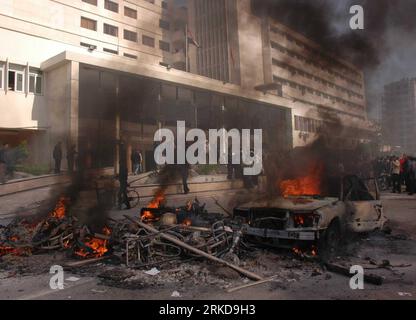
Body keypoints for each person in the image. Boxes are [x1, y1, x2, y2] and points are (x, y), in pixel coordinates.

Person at [118, 141, 131, 210]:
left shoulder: (123, 168)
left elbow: (123, 176)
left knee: (120, 194)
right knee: (123, 195)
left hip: (123, 183)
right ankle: (125, 205)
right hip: (123, 182)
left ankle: (121, 206)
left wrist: (119, 178)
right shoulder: (123, 168)